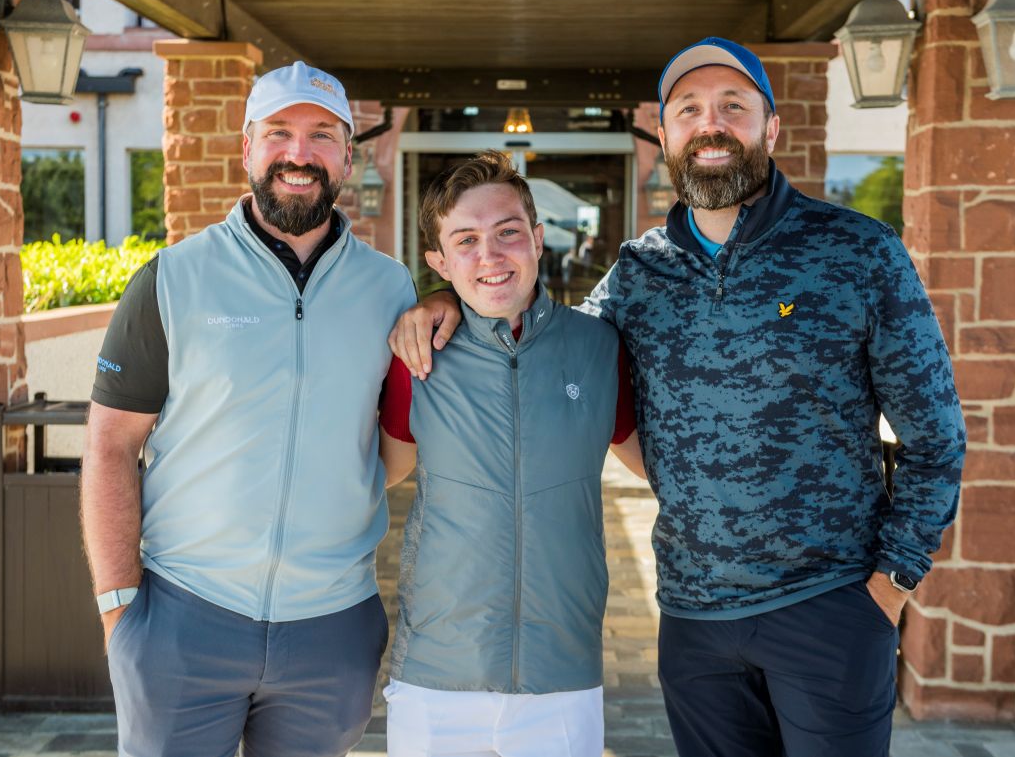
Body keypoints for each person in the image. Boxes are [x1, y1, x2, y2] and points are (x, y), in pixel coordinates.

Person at [388, 38, 967, 757]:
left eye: (734, 106)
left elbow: (936, 437)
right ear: (665, 136)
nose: (711, 123)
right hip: (696, 625)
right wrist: (444, 297)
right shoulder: (637, 277)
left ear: (770, 128)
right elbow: (535, 332)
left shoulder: (858, 253)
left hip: (831, 608)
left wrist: (889, 587)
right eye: (689, 109)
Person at [81, 62, 416, 757]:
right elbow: (110, 446)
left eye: (323, 134)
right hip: (183, 619)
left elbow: (389, 450)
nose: (300, 154)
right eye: (279, 133)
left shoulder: (391, 288)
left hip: (331, 628)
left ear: (349, 154)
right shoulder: (172, 279)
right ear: (247, 149)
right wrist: (118, 605)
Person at [377, 150, 643, 757]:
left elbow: (661, 467)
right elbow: (378, 476)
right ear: (438, 261)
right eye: (465, 240)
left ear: (539, 239)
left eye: (508, 233)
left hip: (562, 673)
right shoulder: (416, 354)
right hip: (436, 676)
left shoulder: (599, 349)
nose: (490, 256)